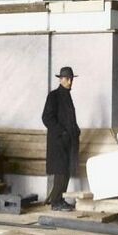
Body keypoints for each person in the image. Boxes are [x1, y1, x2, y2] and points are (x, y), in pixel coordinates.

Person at [42, 66, 80, 211]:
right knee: (60, 171)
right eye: (67, 79)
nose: (70, 82)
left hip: (68, 142)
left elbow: (69, 119)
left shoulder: (67, 96)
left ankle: (59, 200)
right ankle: (56, 202)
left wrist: (75, 130)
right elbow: (47, 118)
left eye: (71, 79)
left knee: (66, 171)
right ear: (60, 79)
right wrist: (62, 132)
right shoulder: (54, 96)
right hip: (58, 142)